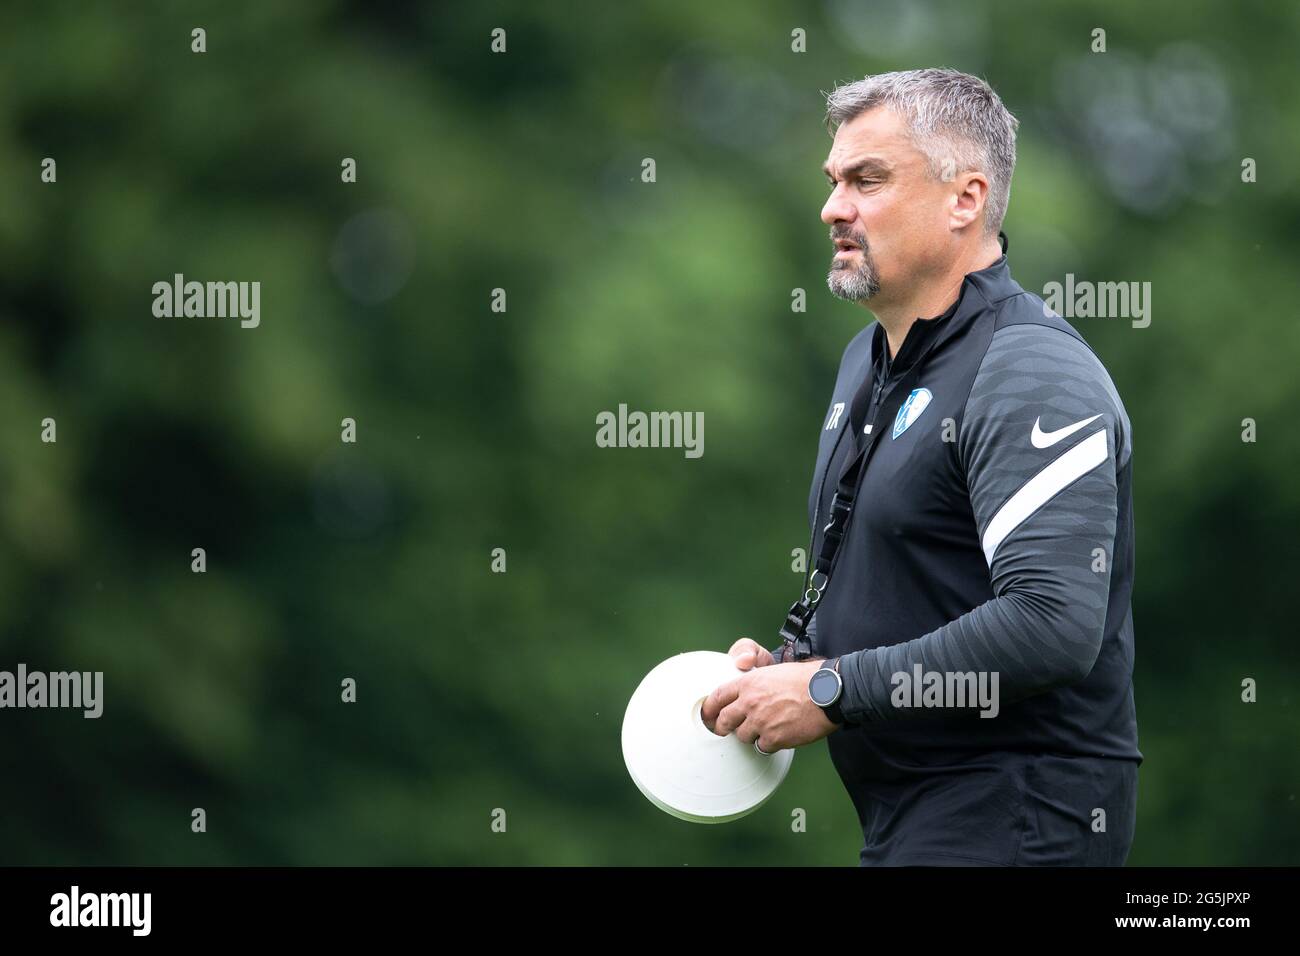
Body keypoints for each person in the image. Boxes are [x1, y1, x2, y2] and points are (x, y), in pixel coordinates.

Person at [700, 68, 1141, 866]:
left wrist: (834, 691)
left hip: (1019, 819)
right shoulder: (866, 363)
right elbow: (914, 585)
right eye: (834, 181)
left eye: (868, 180)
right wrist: (790, 671)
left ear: (965, 199)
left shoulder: (1030, 368)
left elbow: (1053, 625)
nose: (834, 207)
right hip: (915, 823)